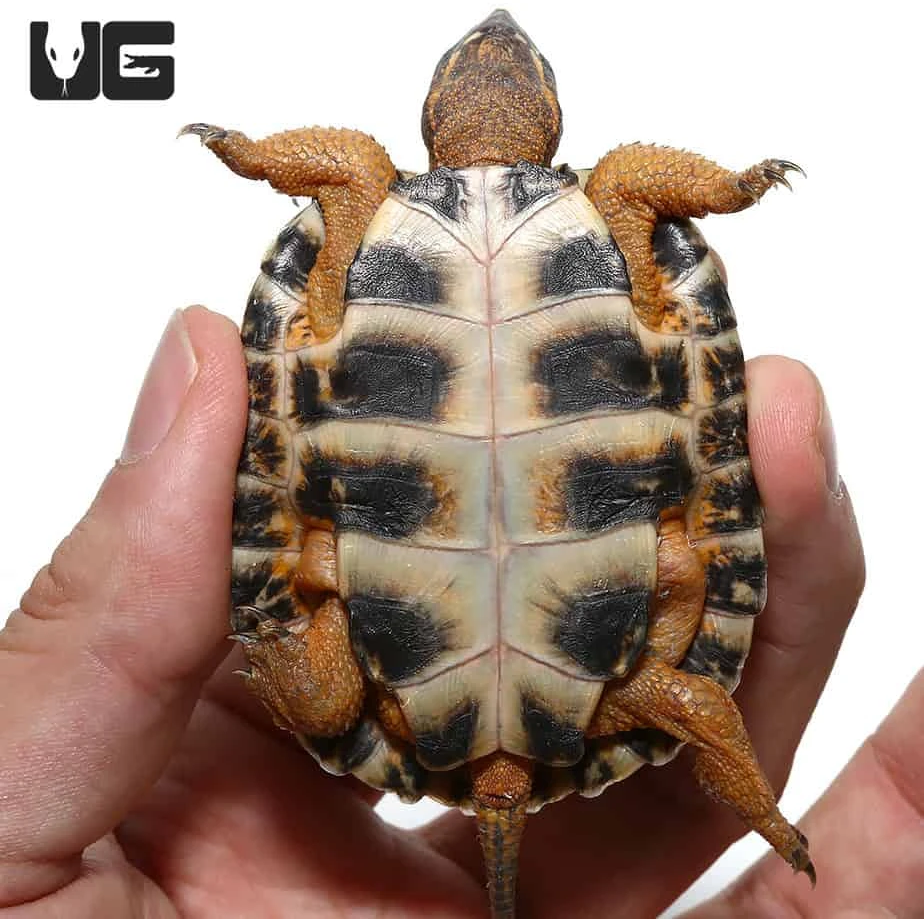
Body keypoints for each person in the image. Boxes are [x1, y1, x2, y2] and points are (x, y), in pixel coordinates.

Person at [0, 306, 911, 918]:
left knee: (323, 693)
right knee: (684, 689)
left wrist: (270, 611)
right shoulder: (619, 216)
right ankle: (766, 816)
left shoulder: (362, 208)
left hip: (402, 684)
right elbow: (696, 682)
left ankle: (766, 815)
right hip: (603, 686)